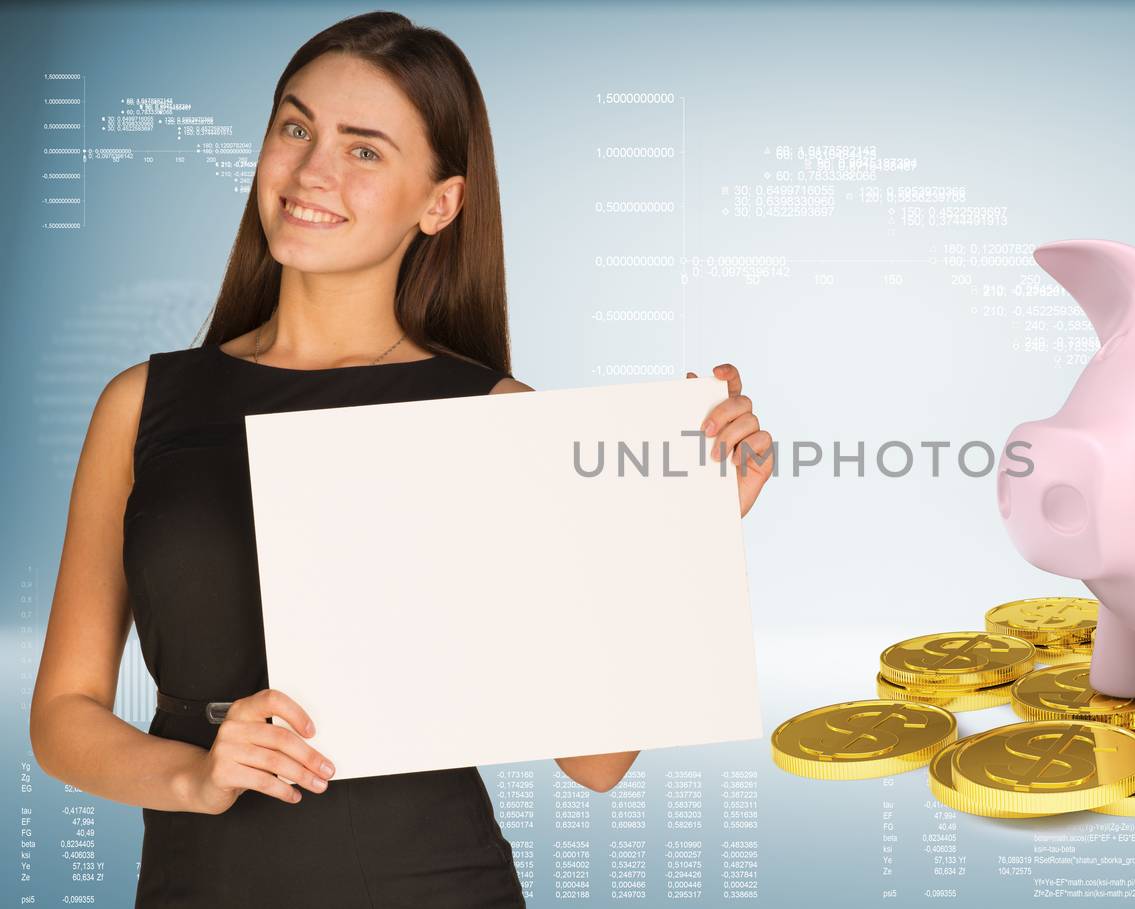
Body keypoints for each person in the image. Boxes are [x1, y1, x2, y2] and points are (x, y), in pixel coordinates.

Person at [28, 11, 774, 907]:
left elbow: (596, 760)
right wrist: (196, 778)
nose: (312, 172)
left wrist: (684, 532)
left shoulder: (497, 418)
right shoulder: (142, 404)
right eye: (296, 128)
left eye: (366, 150)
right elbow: (62, 716)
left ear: (441, 202)